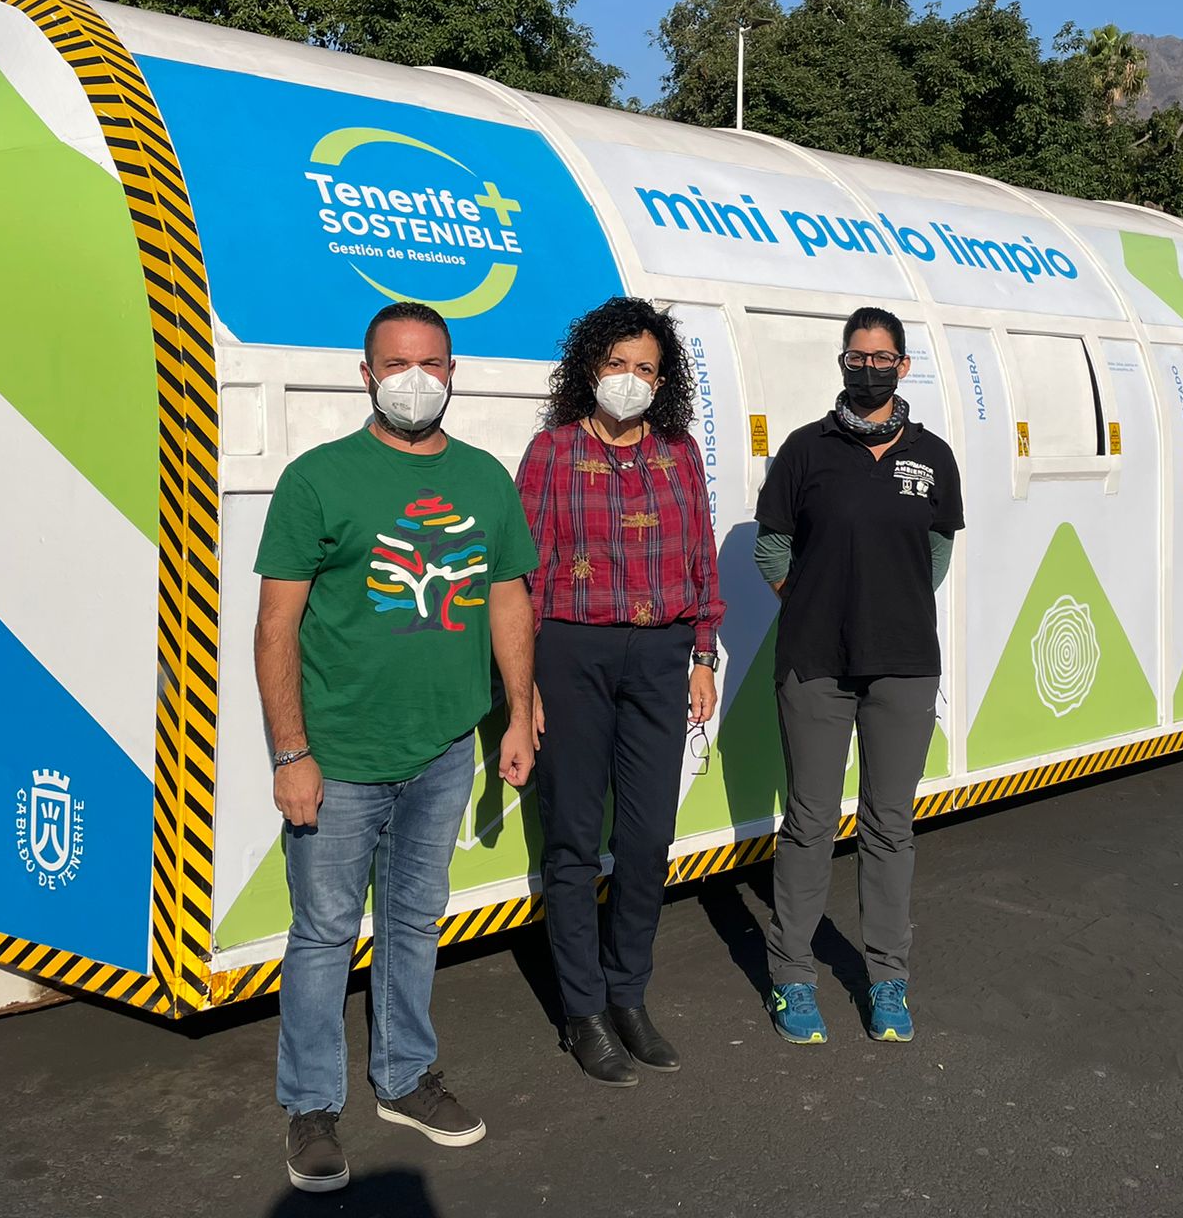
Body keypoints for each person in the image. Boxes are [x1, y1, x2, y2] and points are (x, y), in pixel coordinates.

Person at [254, 301, 539, 1193]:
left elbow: (508, 600)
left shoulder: (488, 480)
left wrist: (519, 712)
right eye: (399, 363)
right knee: (325, 933)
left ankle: (406, 1079)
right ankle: (311, 1107)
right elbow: (275, 628)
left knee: (416, 921)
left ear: (454, 372)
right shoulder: (318, 480)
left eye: (435, 363)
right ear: (367, 373)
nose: (418, 379)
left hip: (445, 749)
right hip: (337, 759)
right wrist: (290, 753)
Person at [516, 297, 724, 1085]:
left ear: (662, 379)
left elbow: (701, 554)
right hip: (571, 653)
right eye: (615, 365)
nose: (629, 380)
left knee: (644, 839)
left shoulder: (680, 453)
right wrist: (524, 680)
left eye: (645, 368)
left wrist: (703, 652)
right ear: (588, 370)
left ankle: (628, 994)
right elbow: (524, 571)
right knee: (573, 840)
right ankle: (583, 1012)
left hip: (662, 653)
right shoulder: (552, 453)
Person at [753, 306, 963, 1046]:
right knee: (809, 824)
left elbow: (936, 550)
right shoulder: (807, 450)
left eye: (882, 356)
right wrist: (817, 603)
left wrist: (887, 603)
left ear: (903, 367)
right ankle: (792, 981)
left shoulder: (932, 456)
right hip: (815, 663)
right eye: (857, 355)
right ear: (842, 362)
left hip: (903, 664)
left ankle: (888, 981)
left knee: (890, 827)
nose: (868, 366)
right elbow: (772, 547)